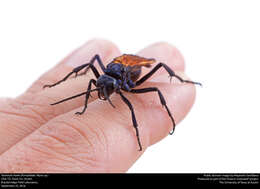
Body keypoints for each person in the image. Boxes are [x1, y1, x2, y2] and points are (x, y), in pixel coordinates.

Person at [0, 39, 197, 172]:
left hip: (131, 70)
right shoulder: (100, 80)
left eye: (106, 90)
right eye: (101, 88)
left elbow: (130, 105)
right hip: (118, 69)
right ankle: (63, 83)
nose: (103, 93)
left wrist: (137, 131)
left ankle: (181, 81)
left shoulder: (126, 84)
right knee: (93, 64)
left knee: (139, 98)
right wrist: (84, 106)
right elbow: (92, 81)